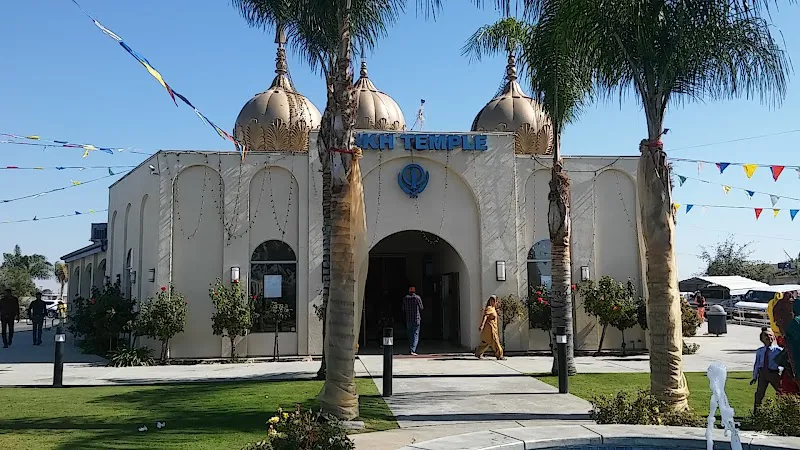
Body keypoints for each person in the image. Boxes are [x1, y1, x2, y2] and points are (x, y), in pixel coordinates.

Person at [751, 327, 782, 411]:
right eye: (766, 336)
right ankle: (757, 412)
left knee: (781, 391)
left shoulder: (778, 350)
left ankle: (784, 409)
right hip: (762, 374)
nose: (769, 337)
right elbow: (757, 364)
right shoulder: (760, 351)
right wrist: (754, 377)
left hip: (773, 373)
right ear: (762, 339)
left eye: (771, 335)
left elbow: (784, 362)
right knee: (759, 393)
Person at [476, 295, 504, 360]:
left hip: (493, 328)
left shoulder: (493, 309)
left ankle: (478, 352)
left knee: (486, 342)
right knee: (496, 342)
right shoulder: (489, 308)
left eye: (495, 301)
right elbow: (485, 317)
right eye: (494, 301)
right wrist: (482, 325)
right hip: (490, 329)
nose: (495, 302)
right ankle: (500, 355)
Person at [402, 286, 423, 356]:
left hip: (408, 319)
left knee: (410, 335)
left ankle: (411, 347)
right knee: (415, 334)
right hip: (416, 319)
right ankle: (413, 350)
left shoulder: (405, 298)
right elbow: (421, 307)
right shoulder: (417, 298)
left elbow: (403, 308)